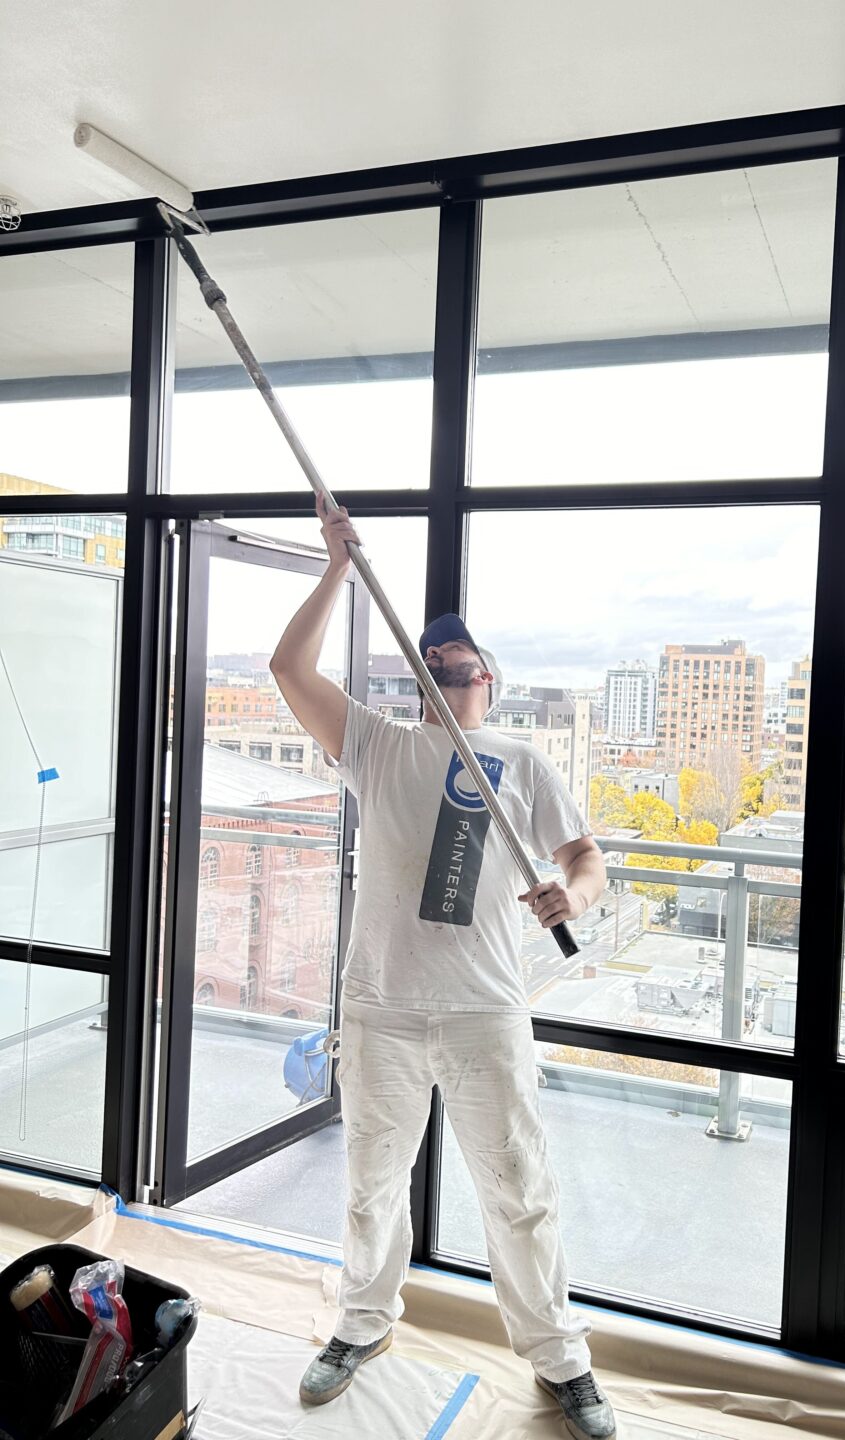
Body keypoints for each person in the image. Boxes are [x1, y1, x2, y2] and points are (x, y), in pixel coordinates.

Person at [268, 495, 616, 1440]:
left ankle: (560, 1360)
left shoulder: (523, 762)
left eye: (461, 674)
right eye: (429, 673)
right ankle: (361, 1327)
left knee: (519, 1188)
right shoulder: (377, 749)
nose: (445, 686)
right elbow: (288, 668)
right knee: (371, 1183)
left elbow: (588, 861)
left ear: (489, 684)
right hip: (379, 1008)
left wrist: (570, 898)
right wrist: (337, 565)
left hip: (484, 1012)